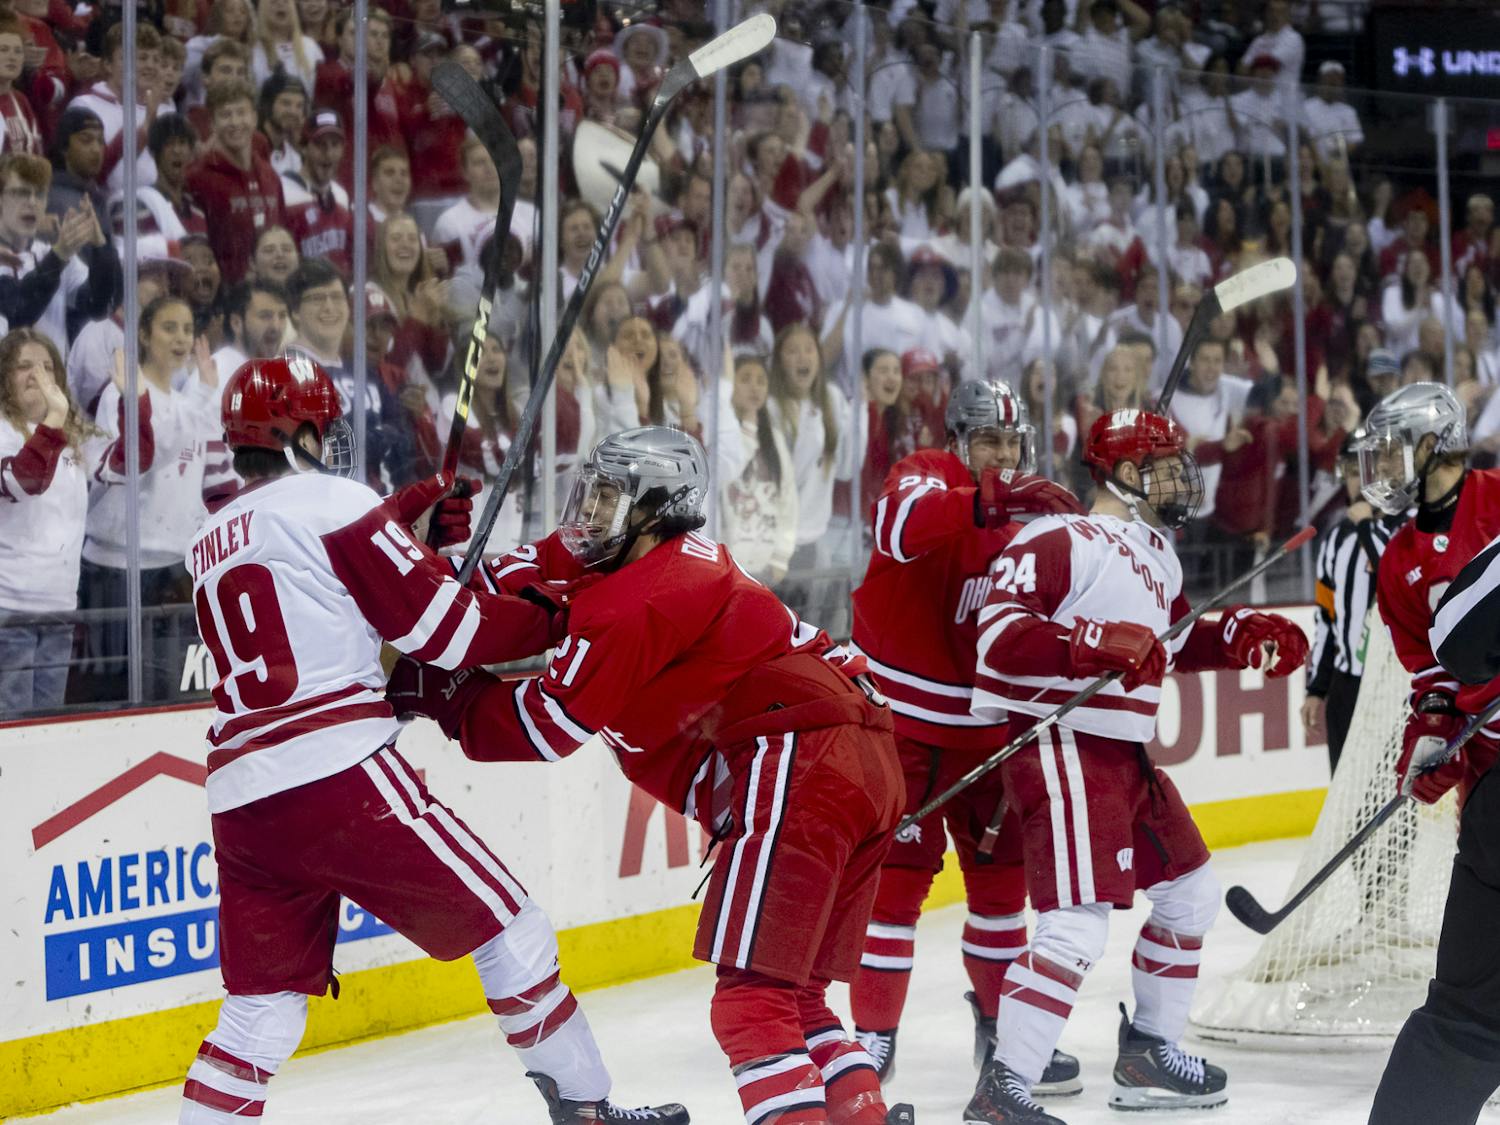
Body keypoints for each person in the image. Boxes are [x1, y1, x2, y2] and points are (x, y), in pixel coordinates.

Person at [178, 355, 685, 1125]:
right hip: (338, 778)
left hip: (243, 801)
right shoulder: (333, 501)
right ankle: (587, 1107)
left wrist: (399, 527)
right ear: (303, 431)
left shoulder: (210, 534)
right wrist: (558, 614)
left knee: (261, 1013)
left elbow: (317, 599)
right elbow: (446, 634)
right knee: (514, 931)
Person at [388, 425, 913, 1125]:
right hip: (858, 762)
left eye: (607, 497)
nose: (587, 512)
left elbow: (541, 727)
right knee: (799, 996)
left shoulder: (642, 599)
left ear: (654, 508)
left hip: (802, 765)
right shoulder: (644, 562)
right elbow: (535, 573)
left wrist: (441, 695)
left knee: (750, 1001)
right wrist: (431, 559)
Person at [964, 409, 1308, 1124]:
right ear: (1121, 473)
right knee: (1075, 926)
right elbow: (999, 641)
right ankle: (1003, 1086)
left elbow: (1170, 640)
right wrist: (1091, 640)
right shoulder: (1056, 538)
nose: (1182, 478)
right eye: (1163, 465)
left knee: (1191, 893)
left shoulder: (1156, 552)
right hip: (1061, 740)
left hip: (1122, 753)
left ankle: (1147, 1050)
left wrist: (1241, 634)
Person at [847, 381, 1085, 1097]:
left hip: (989, 734)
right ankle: (872, 1031)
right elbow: (897, 524)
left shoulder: (1028, 521)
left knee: (1000, 890)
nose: (1003, 456)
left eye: (1012, 444)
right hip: (904, 727)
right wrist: (997, 499)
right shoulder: (924, 474)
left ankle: (1001, 1028)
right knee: (893, 886)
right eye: (988, 441)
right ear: (956, 441)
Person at [1363, 382, 1500, 1124]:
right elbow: (1436, 681)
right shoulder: (1399, 561)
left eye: (1392, 447)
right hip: (1492, 781)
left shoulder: (1498, 499)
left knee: (1469, 1009)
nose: (1381, 464)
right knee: (1469, 999)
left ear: (1434, 445)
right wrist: (1432, 738)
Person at [79, 296, 234, 702]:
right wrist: (204, 396)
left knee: (166, 688)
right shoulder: (123, 394)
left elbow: (199, 482)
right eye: (169, 327)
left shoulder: (188, 404)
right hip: (119, 568)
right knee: (114, 690)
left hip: (172, 568)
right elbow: (149, 452)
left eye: (187, 328)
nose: (181, 338)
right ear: (144, 335)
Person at [1303, 432, 1404, 773]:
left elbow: (1391, 573)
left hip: (1393, 687)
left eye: (1367, 469)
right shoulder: (1334, 541)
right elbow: (1326, 617)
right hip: (1346, 687)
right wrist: (1316, 688)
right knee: (1346, 801)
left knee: (1391, 798)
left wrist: (1365, 523)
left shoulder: (1406, 527)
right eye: (1350, 470)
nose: (1358, 480)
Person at [0, 328, 89, 713]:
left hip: (59, 603)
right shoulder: (3, 431)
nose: (37, 375)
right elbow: (23, 481)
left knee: (48, 720)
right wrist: (55, 419)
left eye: (46, 366)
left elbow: (123, 468)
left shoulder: (70, 441)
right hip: (9, 604)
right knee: (13, 721)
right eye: (23, 367)